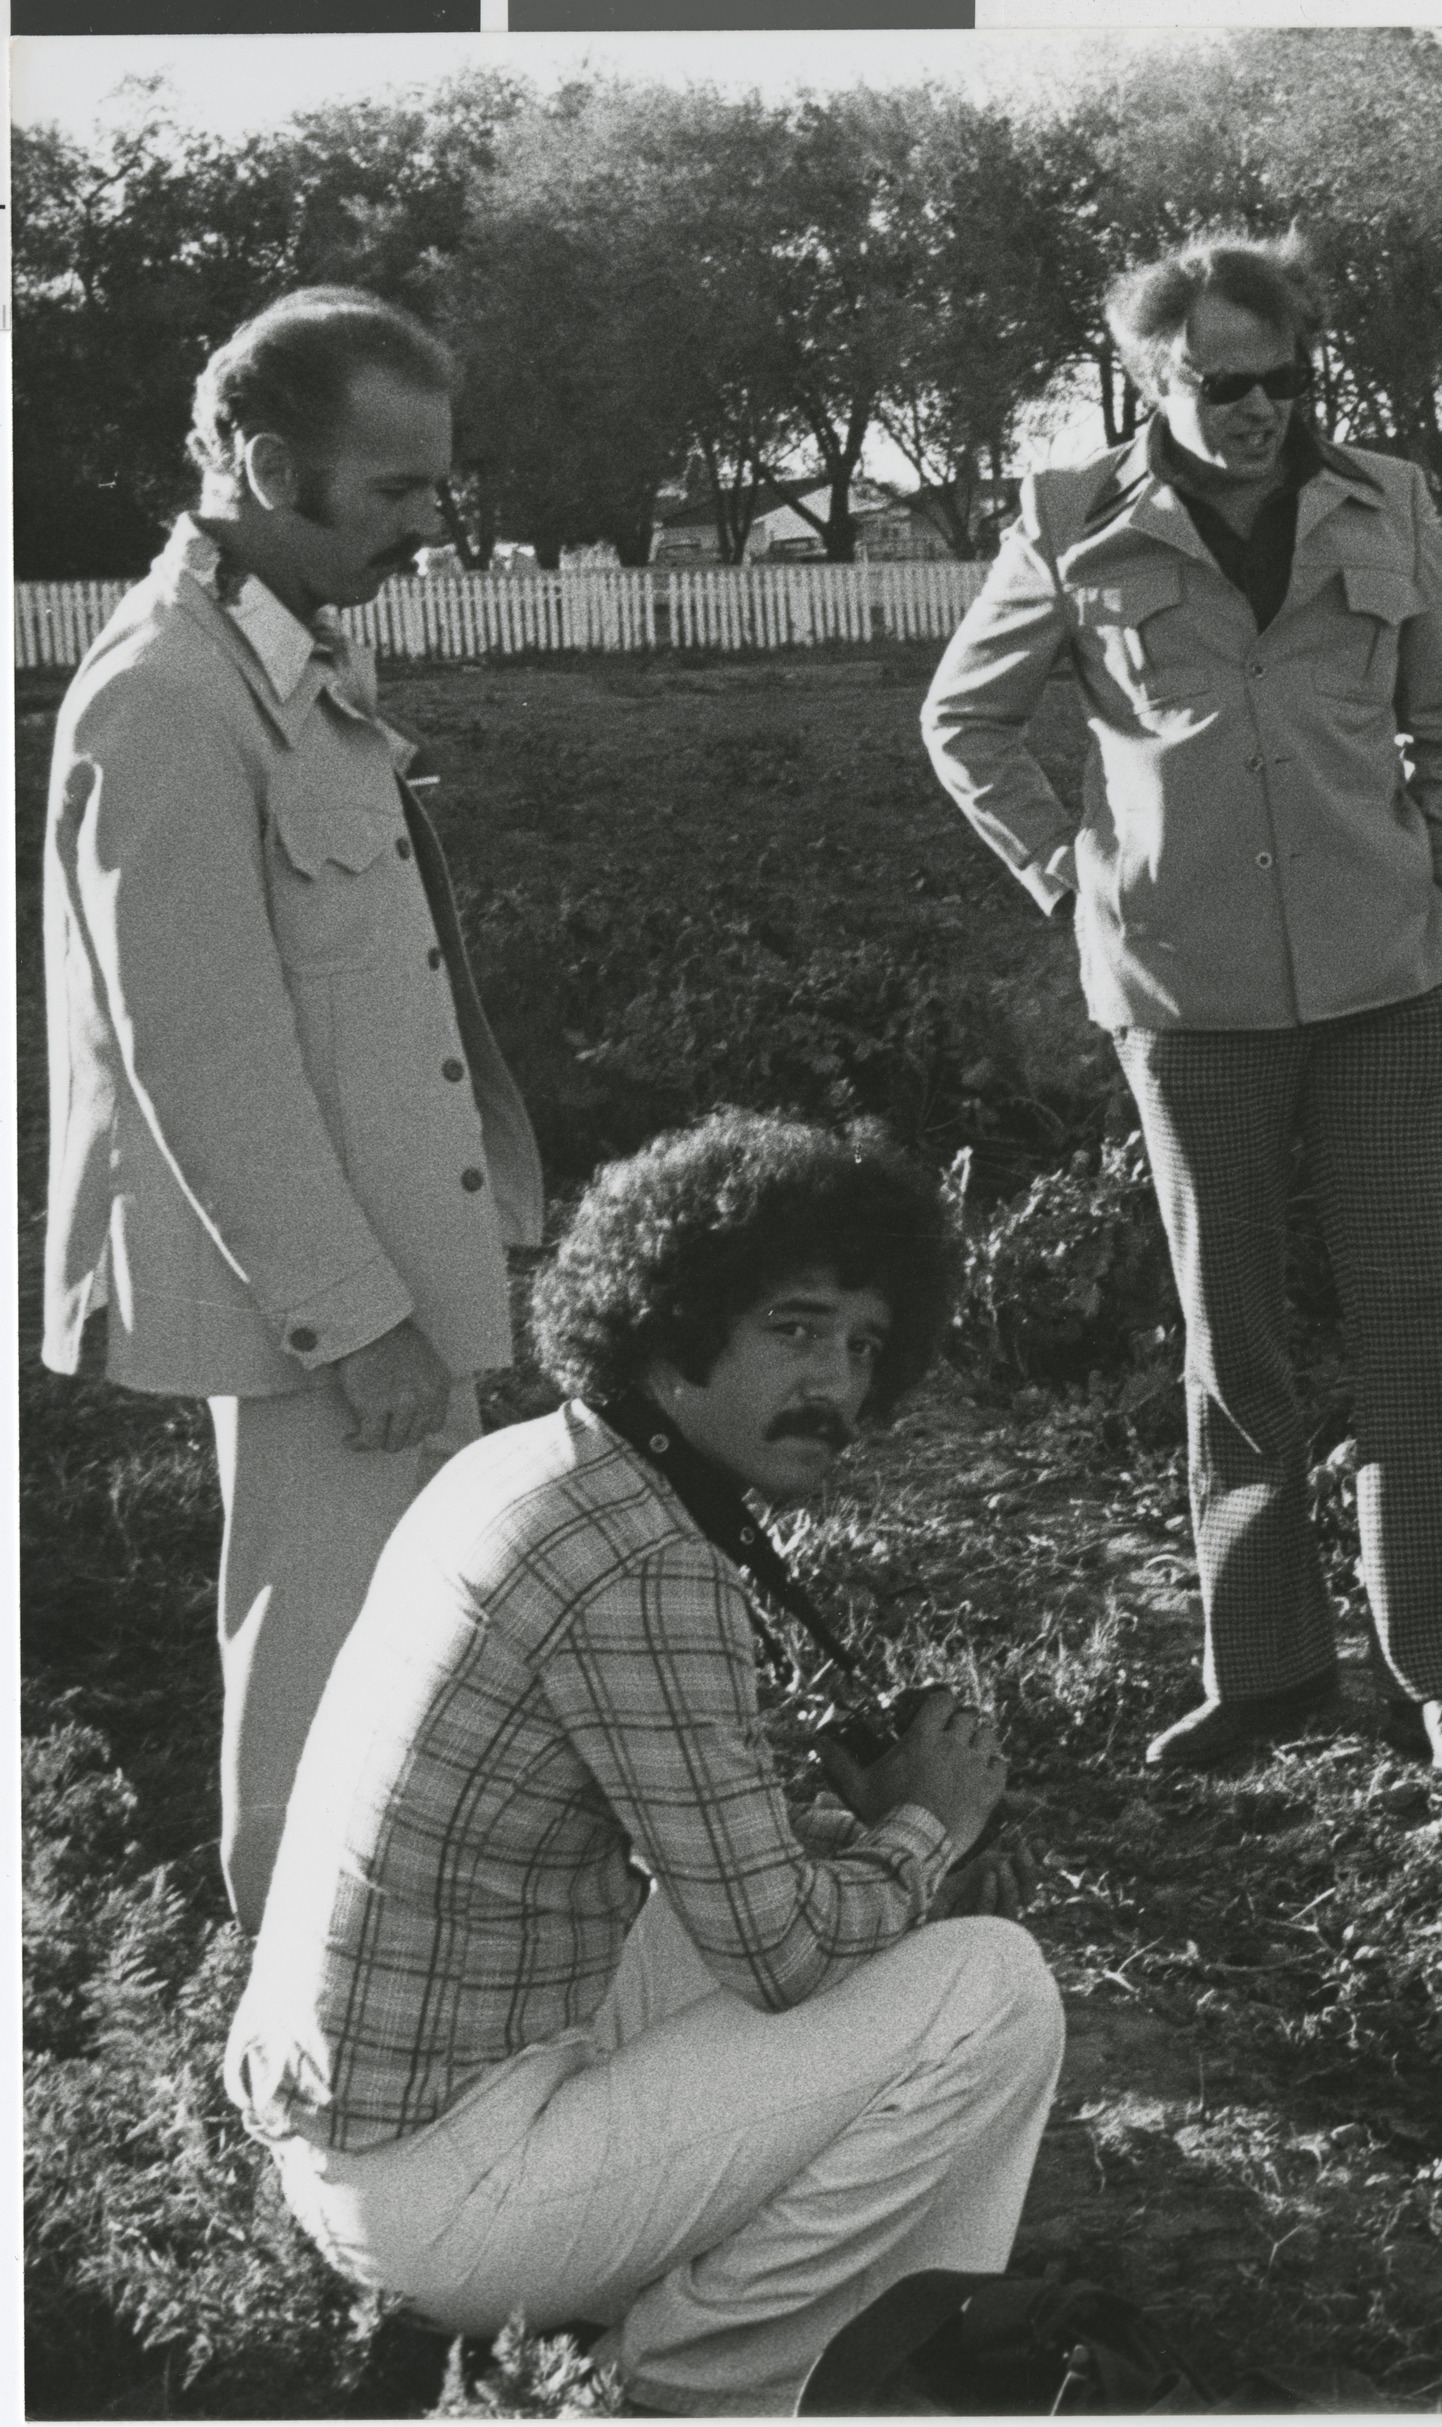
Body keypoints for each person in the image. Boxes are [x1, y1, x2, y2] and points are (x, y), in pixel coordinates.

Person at [223, 1112, 1066, 2415]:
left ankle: (769, 2311)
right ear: (675, 1309)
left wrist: (858, 1830)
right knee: (992, 1988)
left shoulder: (540, 1459)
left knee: (833, 1905)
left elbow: (708, 1866)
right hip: (442, 2192)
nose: (835, 1382)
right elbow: (782, 1954)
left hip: (358, 2124)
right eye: (793, 1327)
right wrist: (926, 1825)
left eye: (863, 1346)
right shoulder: (645, 1559)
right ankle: (692, 2381)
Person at [920, 233, 1442, 1774]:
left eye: (1286, 380)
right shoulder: (1070, 520)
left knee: (1411, 1329)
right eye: (1222, 386)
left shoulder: (1385, 500)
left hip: (1394, 978)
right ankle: (1265, 1674)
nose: (1261, 411)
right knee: (1230, 1338)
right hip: (1186, 999)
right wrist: (1074, 883)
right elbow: (965, 720)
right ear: (1150, 377)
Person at [39, 286, 541, 1932]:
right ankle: (299, 2047)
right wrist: (356, 1319)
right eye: (397, 488)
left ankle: (388, 2001)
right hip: (326, 1311)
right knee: (326, 1677)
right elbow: (204, 1058)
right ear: (266, 464)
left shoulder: (286, 650)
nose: (429, 523)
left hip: (392, 1273)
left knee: (415, 1661)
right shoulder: (165, 699)